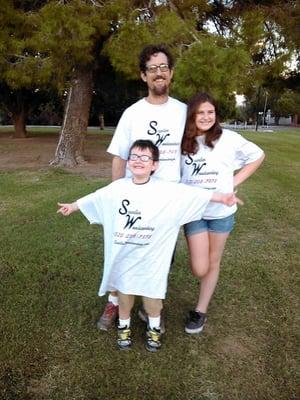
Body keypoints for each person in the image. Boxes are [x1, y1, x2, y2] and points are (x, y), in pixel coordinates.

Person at [57, 140, 242, 352]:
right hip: (124, 256)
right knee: (125, 295)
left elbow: (195, 194)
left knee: (153, 299)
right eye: (134, 157)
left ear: (154, 165)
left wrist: (222, 197)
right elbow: (96, 198)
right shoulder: (118, 188)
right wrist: (73, 206)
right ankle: (123, 327)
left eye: (145, 158)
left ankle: (153, 330)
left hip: (152, 259)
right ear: (128, 162)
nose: (138, 161)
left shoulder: (166, 190)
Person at [98, 43, 187, 331]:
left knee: (161, 259)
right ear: (143, 76)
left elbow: (198, 152)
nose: (158, 73)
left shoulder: (184, 112)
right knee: (123, 252)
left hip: (167, 203)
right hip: (133, 198)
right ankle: (114, 301)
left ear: (171, 73)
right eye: (152, 69)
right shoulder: (132, 113)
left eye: (163, 67)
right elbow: (119, 157)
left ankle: (150, 310)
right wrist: (115, 197)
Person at [181, 92, 265, 334]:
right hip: (194, 212)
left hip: (221, 213)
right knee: (199, 267)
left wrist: (233, 182)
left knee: (213, 262)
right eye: (200, 112)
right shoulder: (184, 142)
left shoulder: (228, 138)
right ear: (192, 116)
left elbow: (258, 156)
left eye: (210, 112)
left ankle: (200, 311)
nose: (206, 117)